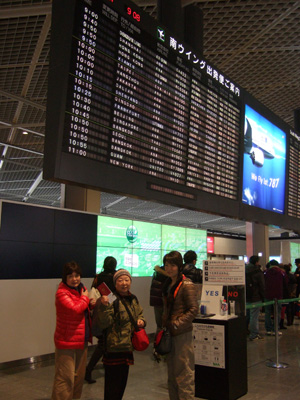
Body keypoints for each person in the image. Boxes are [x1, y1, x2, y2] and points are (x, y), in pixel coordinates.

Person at [97, 269, 146, 400]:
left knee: (121, 386)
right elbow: (104, 323)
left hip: (127, 348)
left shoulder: (133, 298)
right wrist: (105, 306)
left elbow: (139, 314)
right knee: (112, 388)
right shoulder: (111, 298)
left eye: (126, 280)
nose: (124, 283)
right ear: (115, 283)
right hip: (114, 348)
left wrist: (142, 321)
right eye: (120, 280)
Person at [51, 261, 95, 400]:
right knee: (65, 378)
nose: (75, 279)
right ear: (65, 278)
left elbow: (82, 310)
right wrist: (85, 299)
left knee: (79, 377)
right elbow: (75, 309)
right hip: (67, 340)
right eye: (70, 276)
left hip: (81, 339)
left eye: (77, 275)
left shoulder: (81, 289)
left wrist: (90, 304)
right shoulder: (62, 293)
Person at [162, 251, 198, 400]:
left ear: (179, 266)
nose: (169, 268)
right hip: (170, 334)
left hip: (182, 335)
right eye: (166, 265)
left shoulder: (186, 284)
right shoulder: (168, 283)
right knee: (172, 376)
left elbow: (193, 309)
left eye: (172, 265)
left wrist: (177, 324)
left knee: (184, 375)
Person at [85, 256, 117, 384]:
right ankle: (89, 369)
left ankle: (101, 364)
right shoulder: (115, 277)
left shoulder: (98, 276)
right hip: (111, 311)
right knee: (104, 342)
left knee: (104, 340)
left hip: (99, 311)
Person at [264, 259, 288, 336]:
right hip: (278, 295)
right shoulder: (282, 273)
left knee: (267, 312)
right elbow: (285, 284)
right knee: (277, 312)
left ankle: (268, 329)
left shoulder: (266, 273)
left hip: (267, 295)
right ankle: (275, 330)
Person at [245, 255, 265, 340]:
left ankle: (245, 330)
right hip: (255, 297)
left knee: (247, 315)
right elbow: (262, 285)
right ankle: (254, 334)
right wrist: (263, 297)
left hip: (245, 296)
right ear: (256, 262)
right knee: (254, 316)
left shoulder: (243, 270)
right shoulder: (258, 271)